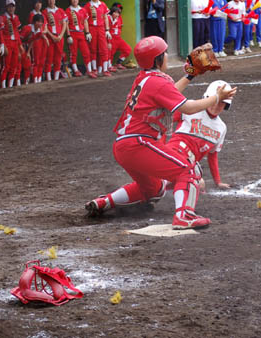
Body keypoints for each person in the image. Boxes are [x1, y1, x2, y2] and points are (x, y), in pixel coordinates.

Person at [85, 36, 237, 230]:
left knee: (154, 189)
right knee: (189, 169)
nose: (166, 55)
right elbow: (188, 108)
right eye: (164, 53)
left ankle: (103, 203)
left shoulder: (145, 79)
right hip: (139, 143)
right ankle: (184, 216)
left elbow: (169, 93)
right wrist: (217, 97)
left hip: (125, 146)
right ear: (157, 60)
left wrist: (190, 76)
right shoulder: (157, 82)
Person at [167, 80, 233, 194]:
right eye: (215, 100)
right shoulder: (191, 107)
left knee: (199, 184)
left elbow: (213, 155)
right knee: (194, 180)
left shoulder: (221, 128)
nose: (217, 105)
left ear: (226, 105)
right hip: (172, 155)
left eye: (222, 102)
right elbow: (164, 120)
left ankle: (165, 190)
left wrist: (218, 181)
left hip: (188, 164)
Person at [66, 0, 94, 78]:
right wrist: (68, 35)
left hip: (81, 33)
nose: (75, 1)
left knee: (86, 52)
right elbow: (66, 24)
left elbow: (85, 21)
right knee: (73, 53)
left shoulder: (83, 10)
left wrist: (87, 32)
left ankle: (89, 70)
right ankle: (76, 71)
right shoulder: (68, 10)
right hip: (72, 33)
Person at [84, 0, 112, 76]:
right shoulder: (88, 5)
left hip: (101, 28)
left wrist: (107, 30)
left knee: (104, 49)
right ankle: (94, 69)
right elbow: (85, 20)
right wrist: (87, 32)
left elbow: (105, 17)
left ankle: (105, 69)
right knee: (92, 49)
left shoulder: (102, 4)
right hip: (92, 28)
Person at [20, 14, 49, 84]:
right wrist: (20, 50)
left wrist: (28, 52)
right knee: (22, 67)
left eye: (41, 22)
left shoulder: (38, 30)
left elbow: (32, 41)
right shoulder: (27, 28)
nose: (40, 24)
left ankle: (31, 81)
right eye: (38, 22)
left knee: (31, 64)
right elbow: (19, 40)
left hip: (27, 48)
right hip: (20, 47)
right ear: (34, 22)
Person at [43, 0, 68, 81]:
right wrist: (52, 36)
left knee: (58, 57)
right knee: (49, 58)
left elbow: (64, 24)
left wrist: (61, 35)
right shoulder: (44, 12)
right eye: (49, 0)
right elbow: (45, 27)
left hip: (59, 37)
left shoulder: (60, 10)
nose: (51, 1)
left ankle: (56, 78)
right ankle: (49, 78)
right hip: (50, 38)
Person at [0, 0, 22, 89]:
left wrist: (20, 45)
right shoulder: (3, 17)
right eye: (9, 6)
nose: (11, 8)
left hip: (15, 43)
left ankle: (11, 85)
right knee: (6, 66)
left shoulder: (16, 17)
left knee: (14, 65)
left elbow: (17, 32)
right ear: (6, 7)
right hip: (7, 43)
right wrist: (3, 45)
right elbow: (0, 32)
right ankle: (3, 86)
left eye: (12, 6)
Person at [107, 6, 132, 71]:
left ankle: (118, 63)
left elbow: (120, 27)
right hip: (112, 38)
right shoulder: (108, 18)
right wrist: (108, 41)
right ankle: (108, 67)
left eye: (118, 12)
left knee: (127, 49)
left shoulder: (119, 18)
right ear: (112, 12)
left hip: (118, 38)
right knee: (110, 53)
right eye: (116, 12)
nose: (117, 14)